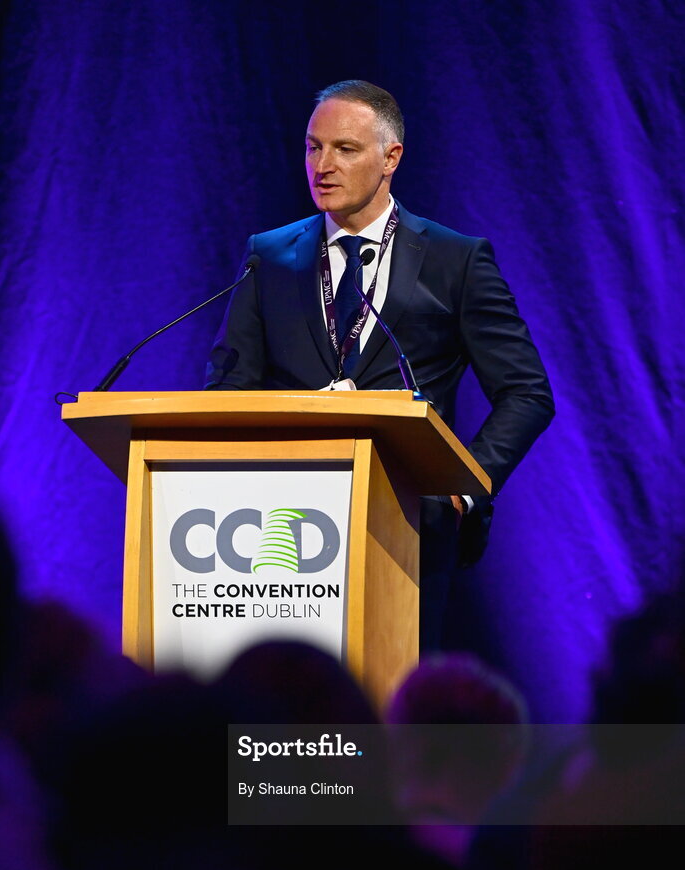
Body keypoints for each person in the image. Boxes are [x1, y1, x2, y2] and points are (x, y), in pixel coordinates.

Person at [205, 80, 554, 649]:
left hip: (408, 526)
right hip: (279, 527)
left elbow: (527, 393)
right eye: (313, 147)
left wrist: (462, 490)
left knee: (384, 719)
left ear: (391, 157)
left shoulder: (455, 260)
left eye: (345, 149)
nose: (323, 165)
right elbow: (229, 385)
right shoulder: (268, 256)